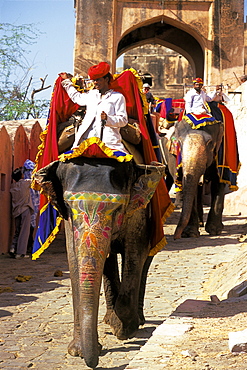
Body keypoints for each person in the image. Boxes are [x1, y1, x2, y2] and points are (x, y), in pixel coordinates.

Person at [60, 62, 129, 153]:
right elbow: (77, 98)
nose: (95, 82)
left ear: (106, 79)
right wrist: (67, 82)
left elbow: (123, 120)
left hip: (109, 143)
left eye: (98, 80)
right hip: (85, 141)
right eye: (94, 80)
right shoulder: (91, 95)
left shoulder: (117, 97)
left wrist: (108, 119)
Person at [9, 167, 34, 259]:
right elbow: (34, 179)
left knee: (18, 230)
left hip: (16, 211)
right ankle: (21, 252)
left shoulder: (13, 186)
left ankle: (13, 247)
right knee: (24, 231)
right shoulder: (25, 183)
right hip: (24, 209)